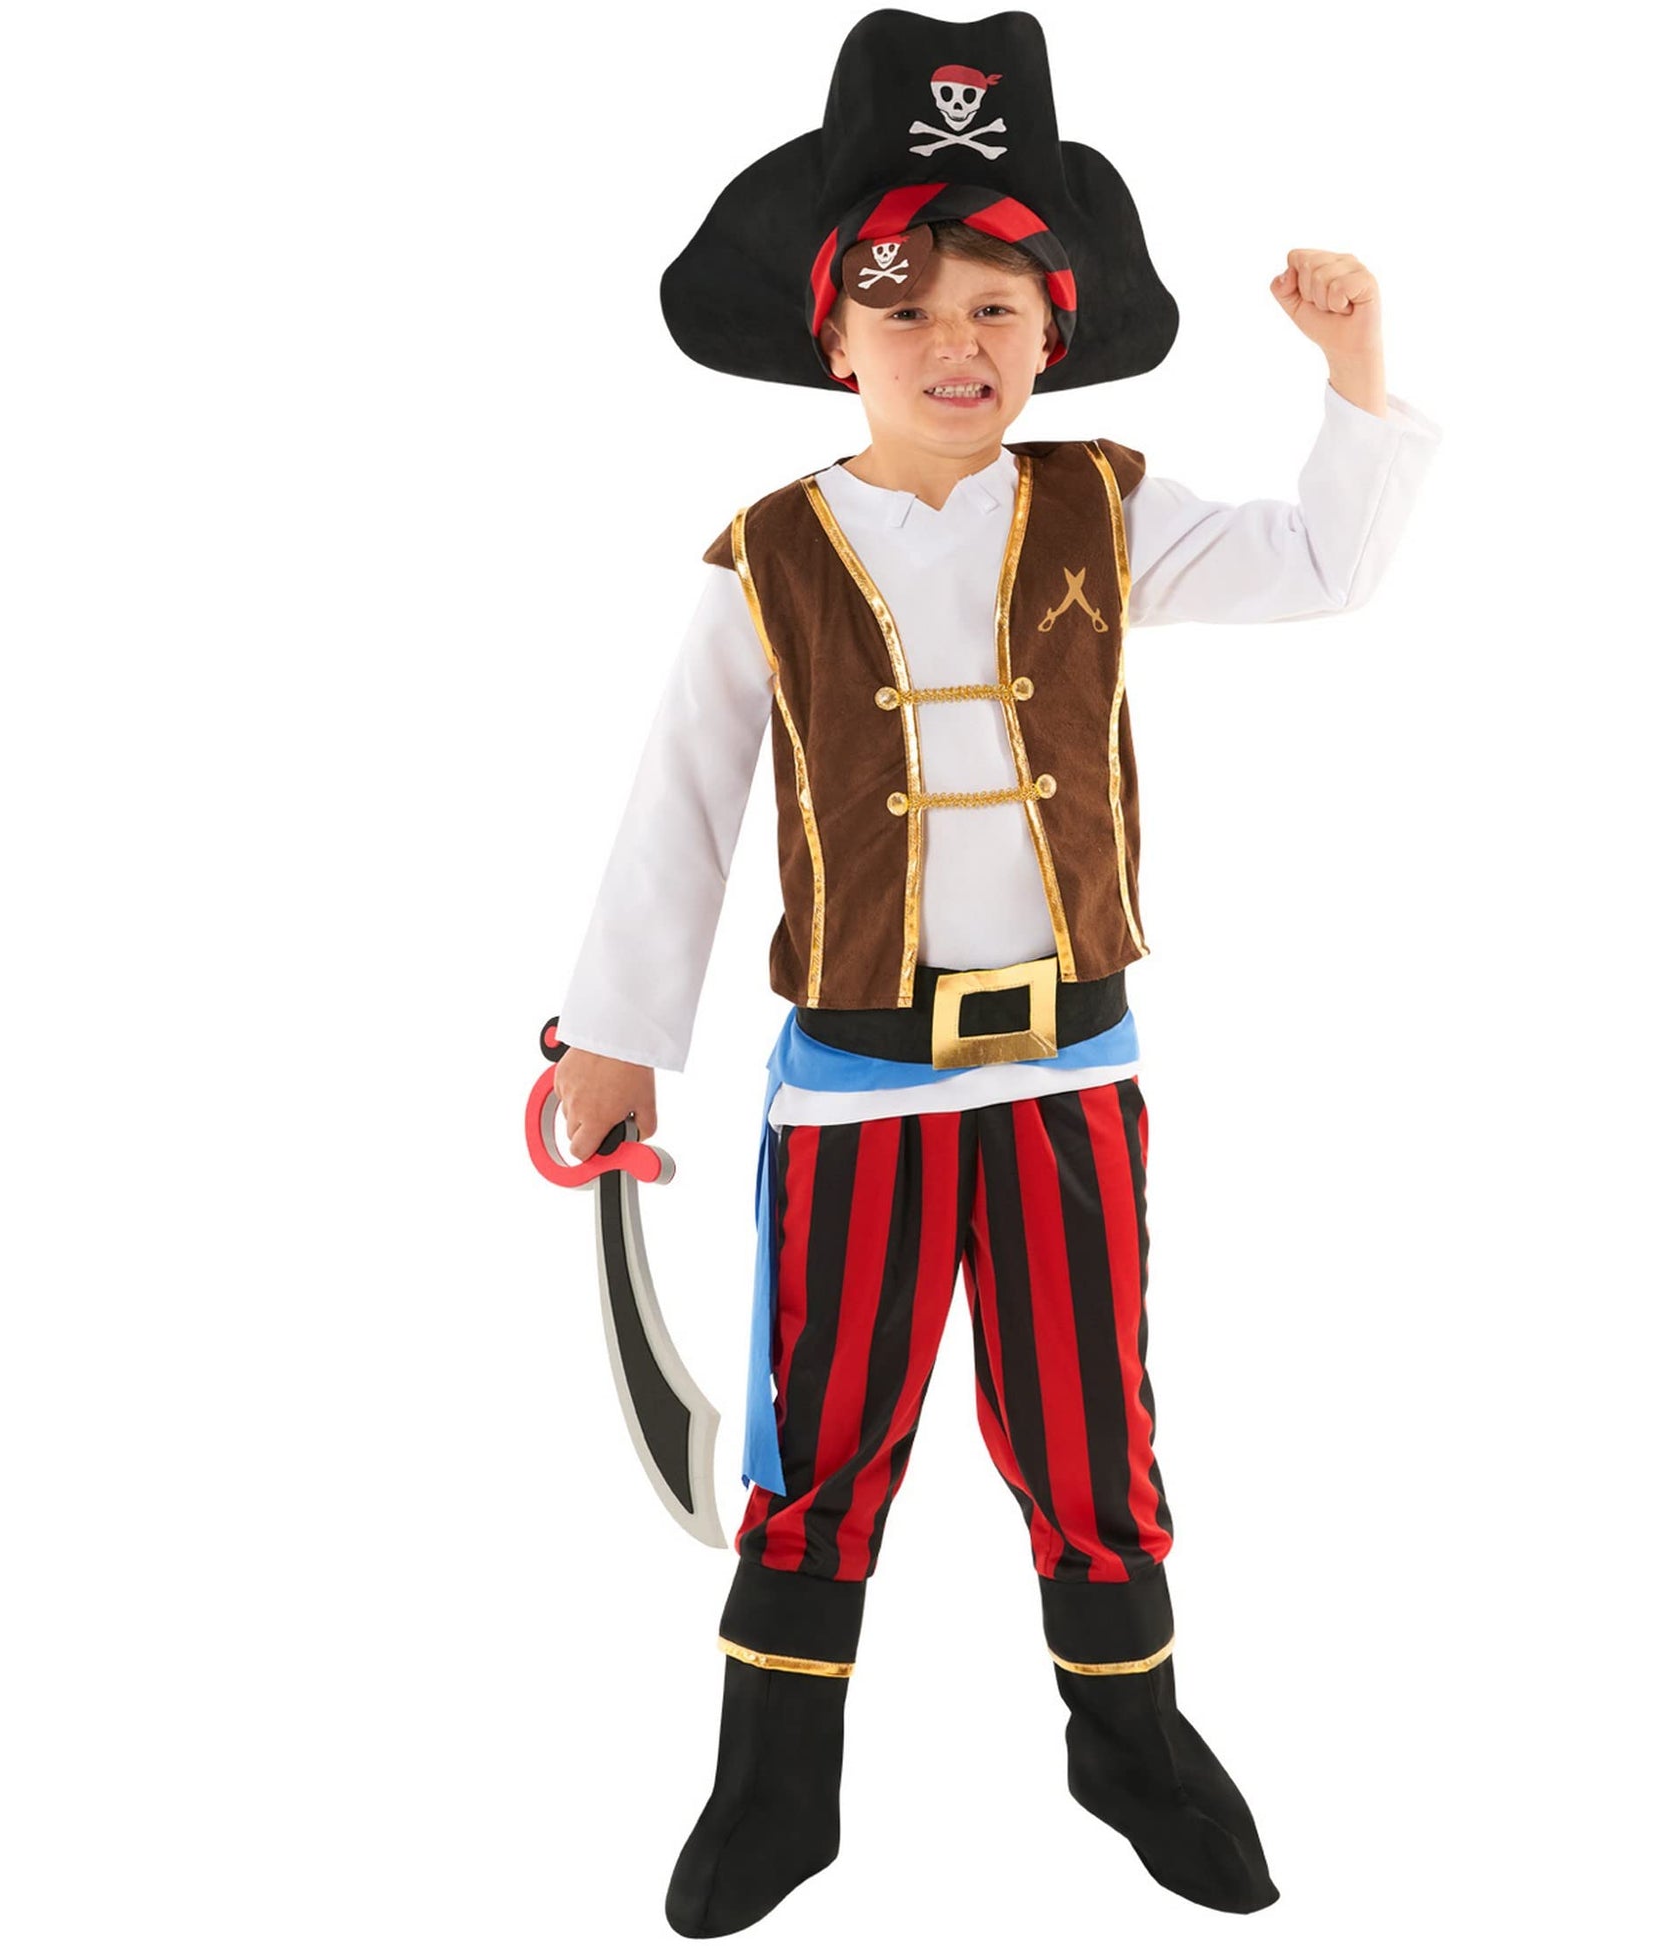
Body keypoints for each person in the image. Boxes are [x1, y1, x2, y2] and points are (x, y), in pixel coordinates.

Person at [551, 10, 1440, 1936]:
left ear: (1054, 334)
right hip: (857, 1089)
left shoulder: (1106, 509)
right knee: (822, 1432)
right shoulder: (763, 558)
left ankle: (1130, 1741)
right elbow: (678, 807)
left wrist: (1355, 371)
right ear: (834, 336)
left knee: (1088, 1424)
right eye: (909, 308)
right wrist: (615, 1041)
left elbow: (1324, 565)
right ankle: (774, 1783)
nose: (954, 343)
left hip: (1068, 1078)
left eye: (996, 309)